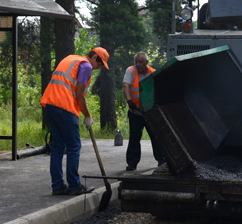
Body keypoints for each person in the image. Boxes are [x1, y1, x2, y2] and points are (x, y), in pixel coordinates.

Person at [40, 47, 109, 195]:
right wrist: (87, 116)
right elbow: (79, 94)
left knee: (58, 146)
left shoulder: (70, 59)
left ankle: (57, 186)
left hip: (51, 104)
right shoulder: (86, 66)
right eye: (100, 64)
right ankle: (74, 185)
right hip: (65, 107)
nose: (98, 68)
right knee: (74, 146)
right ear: (94, 57)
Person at [123, 52, 166, 171]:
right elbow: (126, 86)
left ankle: (162, 161)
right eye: (136, 62)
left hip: (150, 112)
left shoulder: (154, 73)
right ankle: (132, 162)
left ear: (147, 62)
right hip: (135, 112)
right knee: (134, 137)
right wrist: (129, 100)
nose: (138, 64)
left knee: (156, 137)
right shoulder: (131, 71)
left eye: (140, 62)